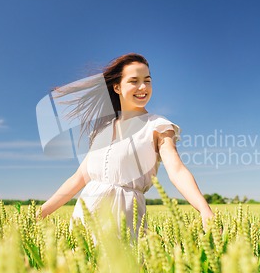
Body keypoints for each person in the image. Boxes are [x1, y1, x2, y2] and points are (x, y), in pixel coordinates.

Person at [39, 53, 214, 233]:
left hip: (125, 220)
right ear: (117, 87)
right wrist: (40, 213)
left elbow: (176, 170)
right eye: (134, 81)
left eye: (147, 80)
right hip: (85, 221)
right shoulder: (100, 131)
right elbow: (79, 178)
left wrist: (204, 209)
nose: (143, 87)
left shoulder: (157, 126)